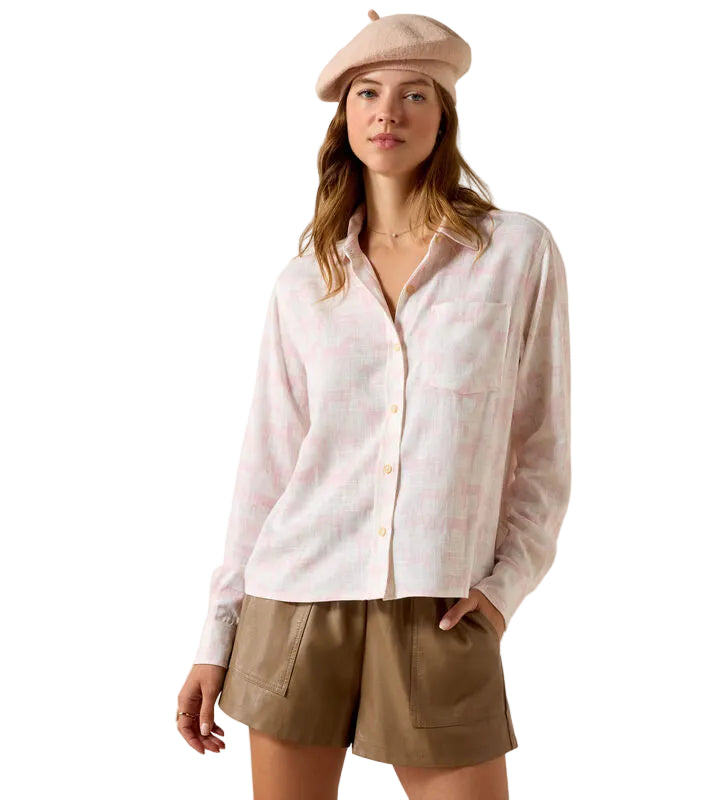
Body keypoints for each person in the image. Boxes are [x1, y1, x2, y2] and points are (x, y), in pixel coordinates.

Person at [176, 9, 571, 799]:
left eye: (413, 93)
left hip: (441, 606)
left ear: (443, 116)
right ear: (345, 118)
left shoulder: (514, 252)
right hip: (293, 604)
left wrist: (502, 591)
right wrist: (215, 637)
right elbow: (266, 471)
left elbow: (542, 448)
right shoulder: (305, 283)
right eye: (367, 93)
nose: (388, 111)